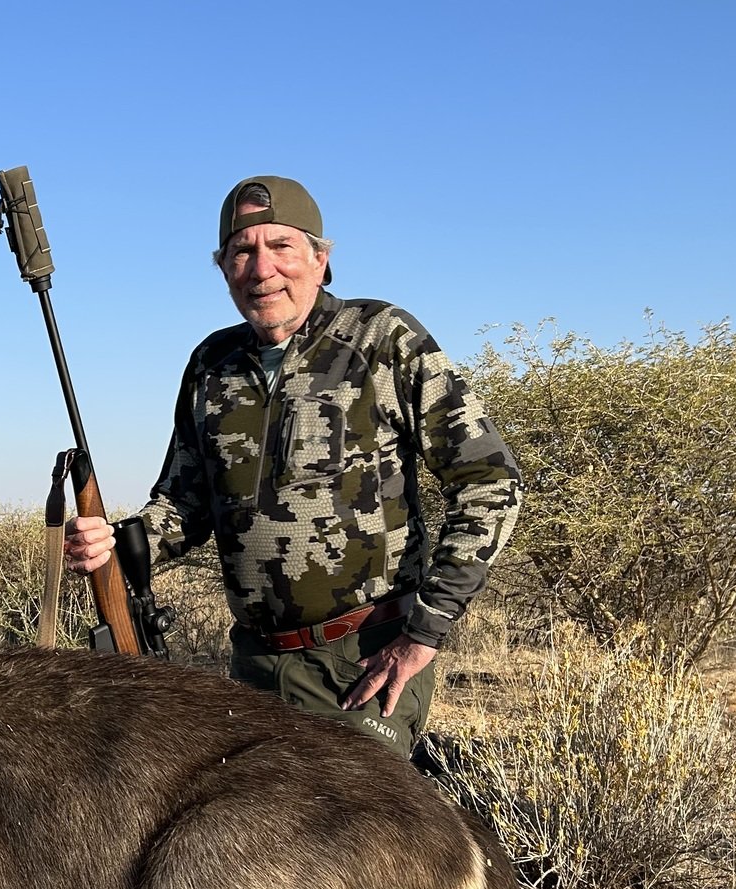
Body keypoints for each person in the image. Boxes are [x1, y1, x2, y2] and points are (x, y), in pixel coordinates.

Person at [65, 175, 522, 759]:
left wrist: (424, 634)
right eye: (242, 251)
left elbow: (489, 481)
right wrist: (113, 545)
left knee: (356, 838)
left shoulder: (382, 338)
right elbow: (183, 506)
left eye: (281, 246)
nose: (262, 269)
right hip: (252, 664)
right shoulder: (212, 362)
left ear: (320, 259)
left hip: (363, 660)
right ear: (225, 269)